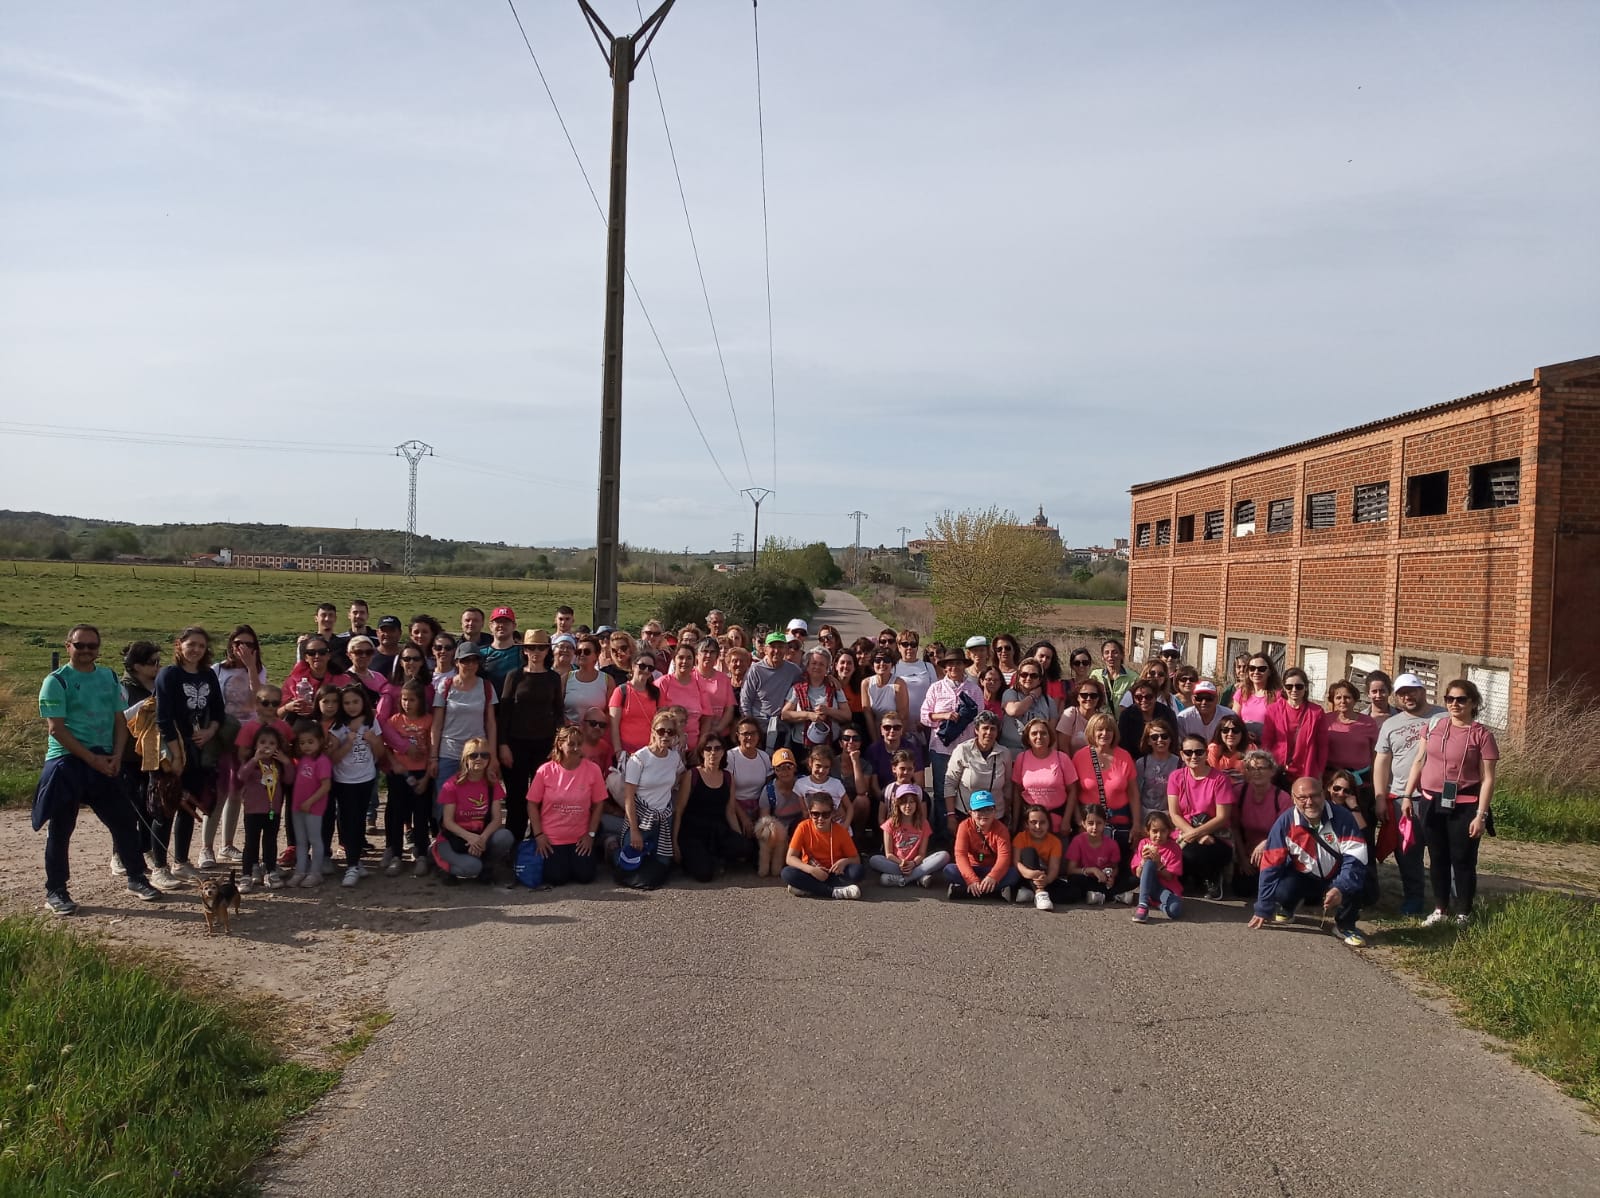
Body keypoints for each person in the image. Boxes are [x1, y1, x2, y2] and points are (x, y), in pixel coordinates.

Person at [32, 624, 162, 912]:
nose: (87, 651)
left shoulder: (108, 676)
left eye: (92, 646)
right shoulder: (56, 681)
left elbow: (119, 720)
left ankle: (136, 877)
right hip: (66, 760)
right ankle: (56, 891)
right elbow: (57, 730)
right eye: (80, 645)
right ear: (68, 646)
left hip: (105, 758)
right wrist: (92, 760)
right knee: (61, 829)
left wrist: (116, 756)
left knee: (124, 820)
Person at [1401, 679, 1498, 927]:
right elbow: (1419, 761)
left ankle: (1463, 912)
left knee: (1463, 859)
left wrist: (1481, 815)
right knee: (1437, 858)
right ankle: (1440, 908)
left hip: (1465, 804)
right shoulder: (1434, 726)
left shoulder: (1482, 735)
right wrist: (1407, 794)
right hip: (1431, 802)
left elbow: (1487, 779)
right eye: (1450, 699)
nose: (1454, 704)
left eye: (1461, 699)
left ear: (1473, 703)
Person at [1248, 777, 1369, 947]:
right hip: (1304, 875)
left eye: (1315, 796)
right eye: (1302, 798)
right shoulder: (1284, 822)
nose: (1309, 802)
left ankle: (1344, 925)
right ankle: (1288, 907)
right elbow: (1270, 866)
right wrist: (1263, 908)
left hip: (1336, 876)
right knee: (1282, 890)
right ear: (1293, 798)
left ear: (1323, 794)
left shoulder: (1343, 818)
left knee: (1358, 882)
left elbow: (1356, 858)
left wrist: (1341, 886)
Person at [152, 626, 226, 883]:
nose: (195, 650)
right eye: (191, 644)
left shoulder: (208, 675)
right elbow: (162, 718)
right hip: (171, 749)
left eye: (201, 646)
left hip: (200, 749)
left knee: (189, 805)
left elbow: (218, 711)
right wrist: (176, 755)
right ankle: (159, 867)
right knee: (166, 804)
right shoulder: (169, 675)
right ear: (179, 645)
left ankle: (181, 861)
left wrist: (209, 732)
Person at [1372, 673, 1443, 916]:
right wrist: (1380, 796)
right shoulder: (1391, 724)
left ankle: (1443, 899)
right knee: (1407, 851)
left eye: (1412, 691)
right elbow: (1381, 762)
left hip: (1438, 796)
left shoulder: (1443, 716)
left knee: (1439, 849)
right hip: (1402, 797)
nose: (1407, 697)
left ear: (1423, 691)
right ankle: (1414, 898)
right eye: (1402, 693)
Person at [208, 624, 266, 866]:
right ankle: (206, 849)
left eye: (249, 644)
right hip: (222, 734)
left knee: (237, 791)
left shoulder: (260, 670)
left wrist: (251, 667)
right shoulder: (217, 670)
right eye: (238, 644)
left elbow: (259, 702)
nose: (243, 648)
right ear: (230, 645)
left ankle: (227, 845)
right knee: (218, 792)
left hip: (248, 734)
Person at [498, 630, 563, 844]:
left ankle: (539, 839)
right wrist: (503, 744)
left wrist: (558, 745)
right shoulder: (514, 676)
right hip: (516, 743)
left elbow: (558, 713)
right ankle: (513, 843)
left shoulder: (553, 677)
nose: (536, 652)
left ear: (547, 650)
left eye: (541, 647)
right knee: (516, 797)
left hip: (544, 745)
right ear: (524, 650)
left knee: (542, 796)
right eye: (531, 647)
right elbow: (504, 714)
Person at [527, 726, 608, 886]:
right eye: (571, 744)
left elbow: (599, 804)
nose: (576, 748)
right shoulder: (545, 771)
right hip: (552, 839)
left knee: (586, 876)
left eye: (579, 744)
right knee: (557, 878)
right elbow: (532, 804)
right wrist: (539, 835)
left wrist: (590, 835)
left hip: (580, 838)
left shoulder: (593, 770)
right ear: (560, 745)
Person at [432, 738, 515, 883]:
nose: (479, 759)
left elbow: (497, 819)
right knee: (472, 867)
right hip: (454, 839)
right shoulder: (451, 785)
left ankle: (487, 866)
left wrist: (481, 839)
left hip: (480, 835)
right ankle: (443, 866)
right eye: (473, 755)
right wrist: (470, 838)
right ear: (465, 758)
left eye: (484, 755)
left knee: (505, 836)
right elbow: (448, 822)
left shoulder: (492, 784)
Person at [620, 714, 685, 889]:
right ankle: (612, 850)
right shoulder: (639, 758)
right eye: (661, 731)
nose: (665, 736)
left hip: (663, 820)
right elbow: (629, 797)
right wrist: (634, 830)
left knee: (662, 868)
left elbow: (679, 777)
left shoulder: (674, 758)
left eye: (670, 732)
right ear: (653, 732)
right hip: (641, 820)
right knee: (629, 866)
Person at [1168, 733, 1235, 900]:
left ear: (1206, 753)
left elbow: (1222, 817)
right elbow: (1174, 814)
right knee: (1174, 854)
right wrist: (1194, 834)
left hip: (1215, 834)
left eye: (1198, 752)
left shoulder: (1220, 779)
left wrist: (1198, 834)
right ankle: (1192, 879)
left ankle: (1212, 877)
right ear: (1182, 754)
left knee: (1194, 853)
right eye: (1188, 752)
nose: (1193, 756)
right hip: (1185, 832)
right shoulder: (1176, 777)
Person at [380, 679, 434, 876]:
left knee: (421, 816)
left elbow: (432, 750)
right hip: (399, 774)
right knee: (398, 815)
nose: (407, 703)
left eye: (412, 699)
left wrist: (427, 777)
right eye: (404, 699)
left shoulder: (428, 721)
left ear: (420, 701)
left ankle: (420, 854)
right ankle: (396, 855)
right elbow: (386, 747)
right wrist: (394, 764)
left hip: (421, 774)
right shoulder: (394, 721)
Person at [673, 736, 743, 882]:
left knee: (745, 847)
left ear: (723, 752)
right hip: (693, 833)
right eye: (708, 748)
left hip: (717, 831)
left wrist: (739, 839)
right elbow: (679, 811)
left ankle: (714, 857)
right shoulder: (692, 775)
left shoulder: (728, 777)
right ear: (701, 752)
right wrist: (674, 843)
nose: (713, 753)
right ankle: (700, 860)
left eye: (717, 748)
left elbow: (730, 812)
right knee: (704, 875)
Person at [431, 642, 498, 787]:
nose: (470, 665)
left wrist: (492, 756)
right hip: (449, 752)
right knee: (443, 802)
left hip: (477, 753)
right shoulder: (445, 685)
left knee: (474, 803)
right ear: (456, 662)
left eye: (474, 660)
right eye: (465, 660)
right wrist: (433, 757)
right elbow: (436, 725)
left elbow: (491, 724)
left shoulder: (486, 686)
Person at [922, 650, 984, 806]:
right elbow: (924, 715)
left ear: (964, 666)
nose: (954, 667)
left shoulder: (974, 690)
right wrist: (944, 716)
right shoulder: (935, 688)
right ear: (945, 668)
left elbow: (980, 719)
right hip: (941, 748)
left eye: (958, 663)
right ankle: (941, 828)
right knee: (940, 792)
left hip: (966, 749)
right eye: (950, 664)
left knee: (966, 789)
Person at [1230, 749, 1291, 900]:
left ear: (1272, 771)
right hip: (1248, 852)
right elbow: (1235, 827)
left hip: (1274, 850)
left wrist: (1266, 843)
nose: (1256, 772)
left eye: (1261, 768)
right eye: (1251, 768)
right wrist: (1242, 858)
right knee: (1242, 890)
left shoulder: (1282, 798)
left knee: (1279, 893)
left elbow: (1286, 831)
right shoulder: (1239, 792)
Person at [943, 711, 1012, 841]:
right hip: (966, 815)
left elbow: (1007, 785)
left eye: (993, 729)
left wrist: (1007, 812)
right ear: (976, 730)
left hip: (996, 816)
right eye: (985, 728)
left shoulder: (1005, 753)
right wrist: (951, 815)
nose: (989, 733)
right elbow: (950, 783)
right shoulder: (962, 750)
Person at [234, 725, 287, 893]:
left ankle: (271, 872)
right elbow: (241, 775)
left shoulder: (278, 764)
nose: (267, 746)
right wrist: (254, 760)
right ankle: (246, 875)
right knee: (251, 843)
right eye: (262, 742)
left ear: (277, 747)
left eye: (272, 743)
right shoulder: (252, 763)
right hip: (252, 811)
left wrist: (287, 762)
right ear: (255, 745)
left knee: (270, 842)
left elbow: (290, 779)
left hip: (273, 810)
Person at [1071, 713, 1137, 849]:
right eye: (1099, 729)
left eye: (1109, 730)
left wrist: (1136, 823)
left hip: (1120, 822)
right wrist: (1079, 821)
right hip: (1090, 823)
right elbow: (1073, 792)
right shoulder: (1080, 757)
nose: (1104, 733)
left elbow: (1133, 794)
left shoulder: (1124, 756)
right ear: (1091, 732)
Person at [781, 793, 863, 899]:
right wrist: (811, 870)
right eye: (815, 814)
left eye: (825, 814)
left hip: (834, 872)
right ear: (810, 813)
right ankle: (833, 892)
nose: (820, 819)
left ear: (832, 814)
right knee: (787, 873)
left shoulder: (841, 831)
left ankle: (809, 889)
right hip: (812, 871)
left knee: (857, 871)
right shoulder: (803, 827)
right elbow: (790, 858)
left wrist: (844, 862)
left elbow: (856, 859)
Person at [868, 782, 949, 888]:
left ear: (917, 804)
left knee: (944, 856)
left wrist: (913, 864)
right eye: (904, 802)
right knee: (874, 860)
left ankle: (904, 879)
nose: (908, 806)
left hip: (917, 863)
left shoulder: (923, 823)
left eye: (911, 802)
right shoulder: (890, 824)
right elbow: (889, 854)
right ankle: (919, 877)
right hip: (896, 863)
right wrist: (901, 862)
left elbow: (922, 853)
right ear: (897, 804)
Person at [943, 789, 1018, 901]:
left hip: (991, 868)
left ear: (994, 811)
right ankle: (994, 893)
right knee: (949, 870)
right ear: (971, 812)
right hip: (972, 867)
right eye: (979, 810)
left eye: (988, 809)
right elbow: (960, 855)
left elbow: (1004, 858)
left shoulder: (1001, 829)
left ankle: (966, 891)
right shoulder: (964, 826)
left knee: (1014, 874)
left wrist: (993, 877)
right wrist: (971, 879)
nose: (984, 814)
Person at [1010, 717, 1078, 834]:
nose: (1039, 737)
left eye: (1043, 733)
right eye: (1034, 733)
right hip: (1030, 825)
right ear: (1027, 737)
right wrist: (1016, 823)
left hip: (1058, 823)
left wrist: (1067, 820)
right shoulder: (1021, 758)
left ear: (1050, 736)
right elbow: (1017, 792)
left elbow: (1073, 790)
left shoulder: (1062, 758)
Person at [1261, 667, 1328, 786]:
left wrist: (1320, 772)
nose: (1294, 690)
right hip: (1278, 769)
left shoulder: (1316, 712)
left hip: (1306, 770)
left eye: (1299, 686)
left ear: (1306, 687)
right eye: (1289, 686)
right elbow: (1267, 742)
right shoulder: (1273, 710)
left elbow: (1322, 746)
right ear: (1284, 687)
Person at [740, 633, 804, 751]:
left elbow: (810, 679)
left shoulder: (793, 670)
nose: (776, 651)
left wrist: (829, 678)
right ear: (765, 649)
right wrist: (750, 727)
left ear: (785, 649)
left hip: (781, 727)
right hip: (758, 726)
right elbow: (746, 700)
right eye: (772, 647)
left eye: (780, 647)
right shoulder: (755, 670)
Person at [782, 647, 850, 752]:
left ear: (827, 668)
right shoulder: (797, 688)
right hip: (801, 745)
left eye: (821, 664)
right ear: (807, 666)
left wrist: (828, 711)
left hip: (829, 745)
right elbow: (785, 714)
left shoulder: (835, 687)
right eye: (814, 663)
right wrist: (809, 715)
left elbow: (847, 716)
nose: (817, 667)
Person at [1324, 680, 1380, 804]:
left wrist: (1375, 783)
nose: (1343, 701)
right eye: (1338, 697)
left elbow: (1375, 755)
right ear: (1333, 700)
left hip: (1360, 782)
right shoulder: (1325, 720)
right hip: (1331, 780)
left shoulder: (1368, 723)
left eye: (1347, 697)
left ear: (1355, 700)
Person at [279, 635, 354, 722]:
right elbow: (276, 714)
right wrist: (287, 707)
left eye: (322, 652)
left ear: (329, 655)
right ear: (306, 657)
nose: (317, 656)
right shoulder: (293, 680)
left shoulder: (344, 680)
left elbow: (352, 709)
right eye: (311, 653)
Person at [1062, 804, 1122, 906]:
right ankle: (1112, 895)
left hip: (1102, 880)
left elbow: (1115, 867)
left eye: (1099, 823)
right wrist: (1092, 870)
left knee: (1131, 879)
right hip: (1086, 878)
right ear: (1084, 824)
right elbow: (1070, 870)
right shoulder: (1078, 841)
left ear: (1105, 823)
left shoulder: (1112, 844)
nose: (1094, 827)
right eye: (1090, 823)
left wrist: (1111, 877)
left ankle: (1101, 894)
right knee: (1074, 880)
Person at [1128, 811, 1182, 923]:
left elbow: (1169, 877)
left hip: (1164, 889)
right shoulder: (1144, 844)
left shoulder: (1174, 848)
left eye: (1163, 831)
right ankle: (1143, 905)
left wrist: (1159, 864)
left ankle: (1157, 903)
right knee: (1148, 862)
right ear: (1148, 831)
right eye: (1155, 831)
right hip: (1149, 885)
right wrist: (1143, 861)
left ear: (1169, 831)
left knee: (1175, 910)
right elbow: (1138, 874)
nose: (1158, 835)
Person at [1011, 803, 1067, 910]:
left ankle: (1030, 892)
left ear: (1048, 824)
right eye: (1033, 822)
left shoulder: (1055, 841)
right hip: (1025, 875)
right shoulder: (1021, 837)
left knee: (1073, 893)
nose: (1038, 827)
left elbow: (1054, 868)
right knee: (1029, 852)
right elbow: (1016, 862)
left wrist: (1047, 880)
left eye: (1042, 823)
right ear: (1026, 824)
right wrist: (1030, 873)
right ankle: (1039, 893)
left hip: (1044, 877)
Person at [610, 653, 662, 759]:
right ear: (633, 666)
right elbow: (614, 725)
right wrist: (618, 751)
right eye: (642, 666)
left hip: (650, 752)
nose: (646, 670)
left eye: (650, 668)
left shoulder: (656, 693)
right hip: (626, 753)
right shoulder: (621, 691)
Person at [1000, 658, 1056, 753]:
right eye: (1024, 675)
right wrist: (1032, 696)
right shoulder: (1010, 693)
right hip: (1010, 751)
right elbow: (1014, 711)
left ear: (1040, 680)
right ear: (1018, 677)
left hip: (1036, 754)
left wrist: (1053, 756)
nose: (1028, 678)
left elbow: (1051, 733)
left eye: (1033, 676)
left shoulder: (1048, 701)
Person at [659, 642, 708, 749]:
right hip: (668, 747)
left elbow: (707, 718)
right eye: (681, 657)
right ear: (674, 660)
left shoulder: (700, 684)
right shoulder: (663, 683)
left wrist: (700, 747)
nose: (684, 661)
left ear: (694, 661)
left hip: (694, 748)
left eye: (689, 658)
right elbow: (658, 717)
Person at [892, 629, 937, 742]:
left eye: (913, 644)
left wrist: (925, 720)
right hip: (901, 726)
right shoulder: (893, 668)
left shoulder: (928, 667)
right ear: (898, 646)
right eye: (905, 644)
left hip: (925, 725)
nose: (909, 648)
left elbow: (936, 696)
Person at [1134, 719, 1179, 822]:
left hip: (1170, 818)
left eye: (1164, 736)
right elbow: (1136, 794)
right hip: (1146, 817)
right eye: (1154, 737)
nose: (1160, 740)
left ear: (1170, 738)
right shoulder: (1141, 763)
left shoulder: (1180, 763)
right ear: (1148, 741)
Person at [563, 634, 613, 725]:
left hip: (596, 733)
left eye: (586, 652)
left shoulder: (607, 680)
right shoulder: (566, 678)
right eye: (579, 651)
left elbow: (610, 712)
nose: (581, 654)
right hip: (570, 733)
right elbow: (558, 708)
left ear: (596, 655)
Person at [862, 650, 909, 744]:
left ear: (892, 664)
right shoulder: (866, 683)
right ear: (872, 664)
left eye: (886, 660)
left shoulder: (899, 684)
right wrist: (875, 742)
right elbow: (868, 715)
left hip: (895, 732)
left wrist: (895, 741)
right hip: (875, 732)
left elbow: (903, 716)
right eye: (878, 660)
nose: (882, 663)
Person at [692, 638, 734, 744]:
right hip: (694, 734)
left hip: (719, 736)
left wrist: (717, 730)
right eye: (704, 651)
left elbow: (729, 709)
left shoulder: (724, 679)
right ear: (697, 655)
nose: (708, 655)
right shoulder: (689, 677)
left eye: (712, 652)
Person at [1117, 682, 1174, 758]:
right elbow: (1123, 744)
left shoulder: (1167, 713)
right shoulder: (1126, 716)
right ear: (1134, 698)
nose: (1143, 700)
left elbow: (1173, 741)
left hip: (1164, 758)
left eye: (1149, 697)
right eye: (1139, 697)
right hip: (1134, 760)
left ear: (1155, 697)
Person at [1234, 655, 1283, 738]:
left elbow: (1281, 726)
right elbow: (1234, 720)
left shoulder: (1278, 696)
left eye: (1261, 669)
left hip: (1265, 745)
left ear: (1270, 672)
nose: (1256, 672)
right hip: (1244, 743)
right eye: (1252, 668)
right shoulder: (1242, 693)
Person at [1054, 679, 1104, 755]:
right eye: (1084, 695)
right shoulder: (1070, 714)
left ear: (1098, 698)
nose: (1088, 698)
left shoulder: (1102, 719)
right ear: (1078, 697)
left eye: (1093, 695)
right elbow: (1063, 747)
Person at [1090, 638, 1137, 708]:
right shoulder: (1095, 675)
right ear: (1102, 657)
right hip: (1100, 718)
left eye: (1114, 652)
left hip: (1123, 718)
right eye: (1106, 652)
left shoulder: (1133, 678)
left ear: (1122, 655)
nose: (1110, 656)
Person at [1207, 716, 1250, 782]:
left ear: (1242, 733)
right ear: (1220, 733)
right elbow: (1214, 776)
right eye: (1225, 730)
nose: (1230, 734)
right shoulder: (1213, 749)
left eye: (1235, 730)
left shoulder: (1249, 748)